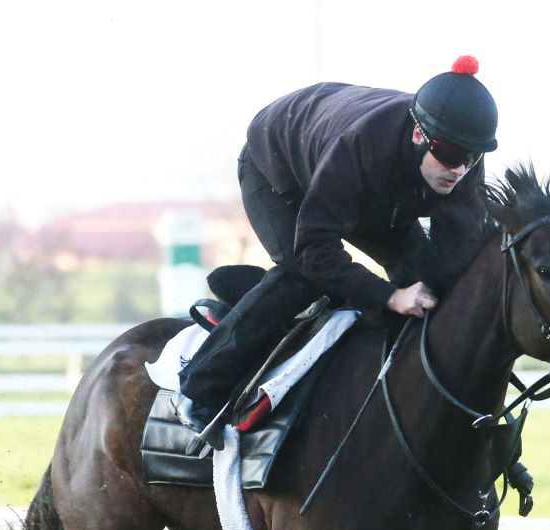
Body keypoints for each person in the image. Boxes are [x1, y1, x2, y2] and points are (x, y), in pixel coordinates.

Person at [175, 55, 499, 449]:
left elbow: (456, 261)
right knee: (302, 274)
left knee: (426, 278)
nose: (459, 170)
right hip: (279, 167)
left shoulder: (460, 164)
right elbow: (315, 250)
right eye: (450, 155)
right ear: (418, 135)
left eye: (471, 157)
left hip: (374, 191)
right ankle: (198, 388)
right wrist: (390, 296)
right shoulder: (360, 147)